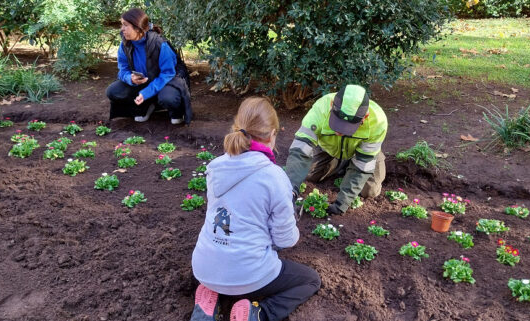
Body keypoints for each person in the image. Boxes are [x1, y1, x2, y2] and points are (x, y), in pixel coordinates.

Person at [190, 97, 321, 321]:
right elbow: (286, 240)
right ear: (272, 134)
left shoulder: (215, 166)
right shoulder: (274, 176)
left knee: (226, 259)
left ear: (237, 128)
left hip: (203, 269)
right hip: (250, 277)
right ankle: (258, 313)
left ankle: (211, 301)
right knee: (310, 280)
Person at [285, 84, 388, 215]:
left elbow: (363, 165)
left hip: (363, 153)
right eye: (337, 122)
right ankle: (342, 164)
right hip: (329, 149)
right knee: (309, 175)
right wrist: (290, 192)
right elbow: (300, 151)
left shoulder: (378, 121)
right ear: (332, 104)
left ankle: (353, 163)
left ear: (365, 116)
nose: (339, 131)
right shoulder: (320, 109)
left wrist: (341, 204)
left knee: (370, 191)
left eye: (347, 127)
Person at [106, 8, 192, 124]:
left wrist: (146, 92)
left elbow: (167, 74)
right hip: (143, 82)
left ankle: (176, 111)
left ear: (137, 27)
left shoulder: (160, 44)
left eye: (125, 25)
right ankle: (145, 107)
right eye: (122, 25)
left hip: (167, 81)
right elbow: (122, 70)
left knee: (168, 98)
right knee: (113, 91)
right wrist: (130, 78)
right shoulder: (125, 44)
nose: (122, 29)